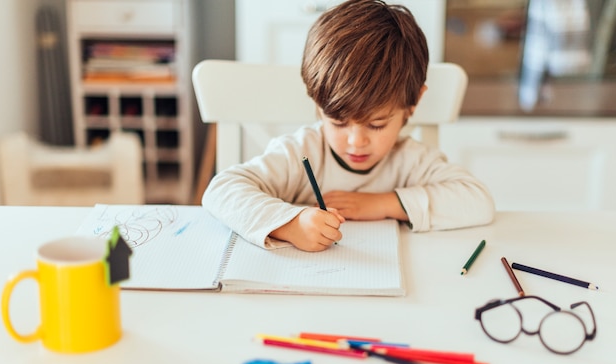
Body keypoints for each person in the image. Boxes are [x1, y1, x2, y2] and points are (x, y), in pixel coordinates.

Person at [202, 0, 495, 252]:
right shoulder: (300, 153)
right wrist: (291, 224)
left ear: (413, 104)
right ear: (317, 105)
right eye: (338, 122)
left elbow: (478, 201)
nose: (356, 141)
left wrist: (382, 204)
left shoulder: (411, 160)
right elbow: (221, 190)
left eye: (377, 124)